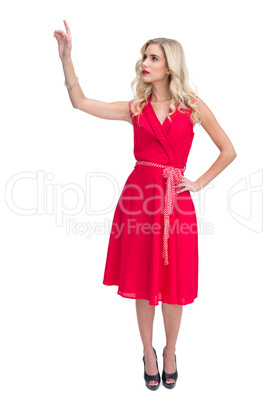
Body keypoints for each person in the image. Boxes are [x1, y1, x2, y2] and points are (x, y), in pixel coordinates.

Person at [53, 20, 237, 391]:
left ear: (170, 66)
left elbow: (229, 151)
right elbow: (81, 102)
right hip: (139, 201)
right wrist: (66, 59)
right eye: (144, 56)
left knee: (173, 279)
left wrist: (198, 183)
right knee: (143, 279)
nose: (145, 62)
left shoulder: (193, 107)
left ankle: (170, 350)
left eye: (153, 57)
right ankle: (147, 352)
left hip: (176, 201)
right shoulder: (136, 108)